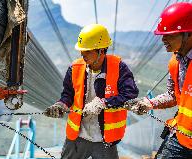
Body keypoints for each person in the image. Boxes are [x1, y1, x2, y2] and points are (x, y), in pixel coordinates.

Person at [44, 24, 139, 159]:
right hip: (78, 136)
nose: (83, 54)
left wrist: (103, 103)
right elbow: (68, 94)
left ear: (101, 50)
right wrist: (61, 105)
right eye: (82, 51)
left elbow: (130, 94)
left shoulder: (119, 68)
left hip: (105, 139)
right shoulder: (75, 68)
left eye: (87, 51)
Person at [127, 2, 192, 159]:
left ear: (188, 34)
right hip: (181, 136)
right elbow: (173, 95)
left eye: (169, 34)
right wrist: (148, 103)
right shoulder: (176, 62)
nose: (163, 39)